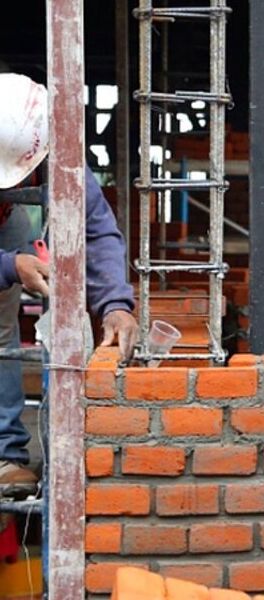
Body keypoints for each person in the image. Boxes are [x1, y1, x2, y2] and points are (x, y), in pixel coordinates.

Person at [0, 73, 138, 497]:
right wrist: (8, 267)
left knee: (1, 331)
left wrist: (114, 304)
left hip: (6, 222)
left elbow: (94, 231)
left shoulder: (54, 152)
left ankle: (6, 454)